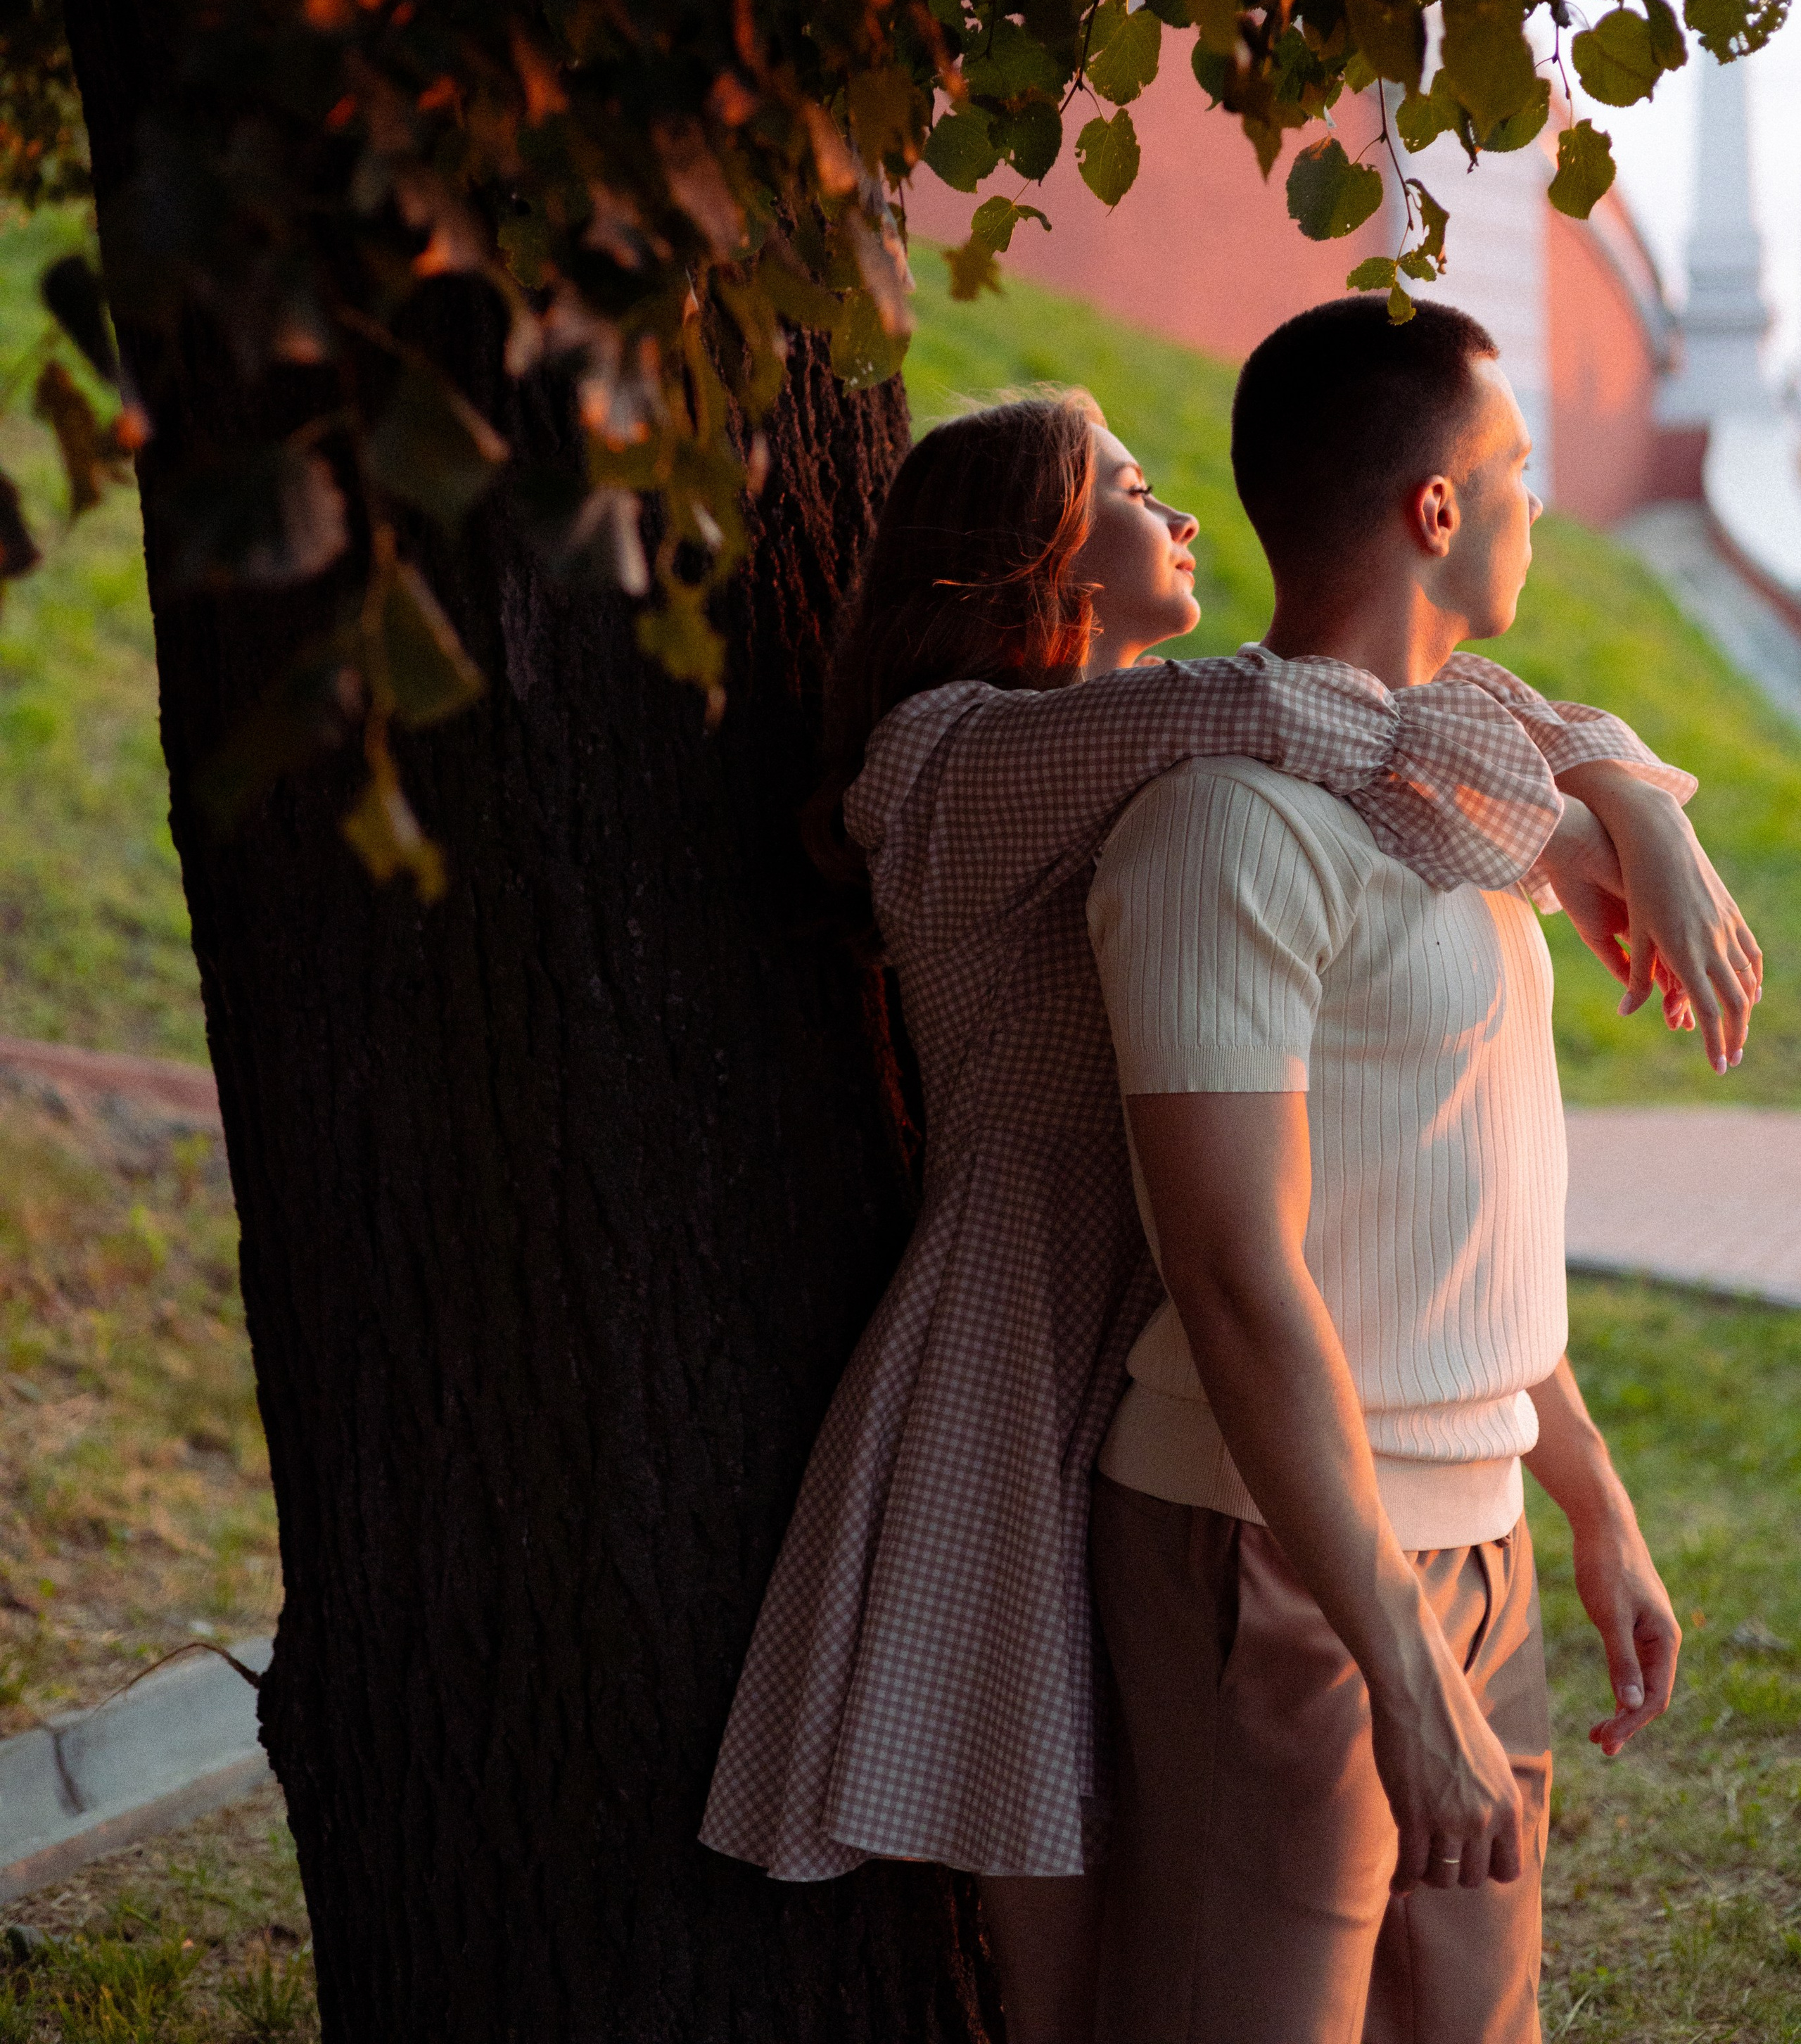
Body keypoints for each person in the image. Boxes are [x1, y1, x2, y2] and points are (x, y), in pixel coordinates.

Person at [701, 377, 1758, 2044]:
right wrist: (1581, 803)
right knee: (1079, 1954)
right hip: (1027, 1340)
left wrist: (1613, 789)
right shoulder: (957, 757)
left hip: (1173, 1329)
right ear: (1021, 552)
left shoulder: (1155, 769)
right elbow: (1332, 711)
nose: (1176, 511)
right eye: (1123, 486)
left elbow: (1386, 718)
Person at [1085, 299, 1718, 2044]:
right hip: (1271, 1548)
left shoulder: (1453, 815)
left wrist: (1583, 1497)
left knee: (1470, 2024)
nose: (1537, 507)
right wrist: (1390, 1667)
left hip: (1473, 1533)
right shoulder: (1223, 833)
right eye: (1514, 472)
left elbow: (1454, 1212)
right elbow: (1231, 1273)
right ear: (1434, 513)